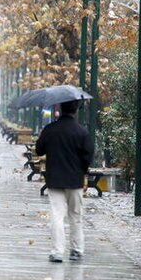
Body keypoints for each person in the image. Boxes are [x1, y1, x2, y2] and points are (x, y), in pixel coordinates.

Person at [35, 100, 94, 263]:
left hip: (55, 179)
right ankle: (76, 249)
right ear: (75, 111)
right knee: (75, 215)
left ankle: (57, 251)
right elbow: (88, 155)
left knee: (57, 215)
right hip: (75, 180)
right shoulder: (82, 132)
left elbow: (39, 150)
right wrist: (81, 169)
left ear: (60, 109)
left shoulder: (50, 130)